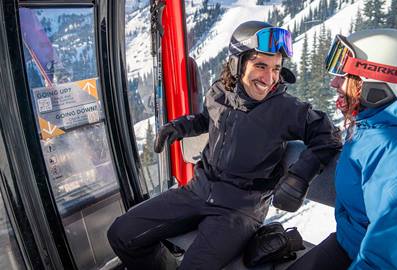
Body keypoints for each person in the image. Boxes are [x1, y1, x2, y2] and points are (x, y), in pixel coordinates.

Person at [107, 21, 341, 270]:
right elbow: (208, 118)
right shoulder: (219, 92)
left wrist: (299, 176)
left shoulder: (286, 109)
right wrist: (181, 126)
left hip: (239, 209)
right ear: (236, 64)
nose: (269, 77)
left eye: (276, 68)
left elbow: (328, 135)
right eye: (261, 65)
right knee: (122, 234)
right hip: (197, 190)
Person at [283, 28, 397, 270]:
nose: (334, 82)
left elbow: (388, 257)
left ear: (377, 85)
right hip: (351, 244)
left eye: (344, 75)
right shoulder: (374, 124)